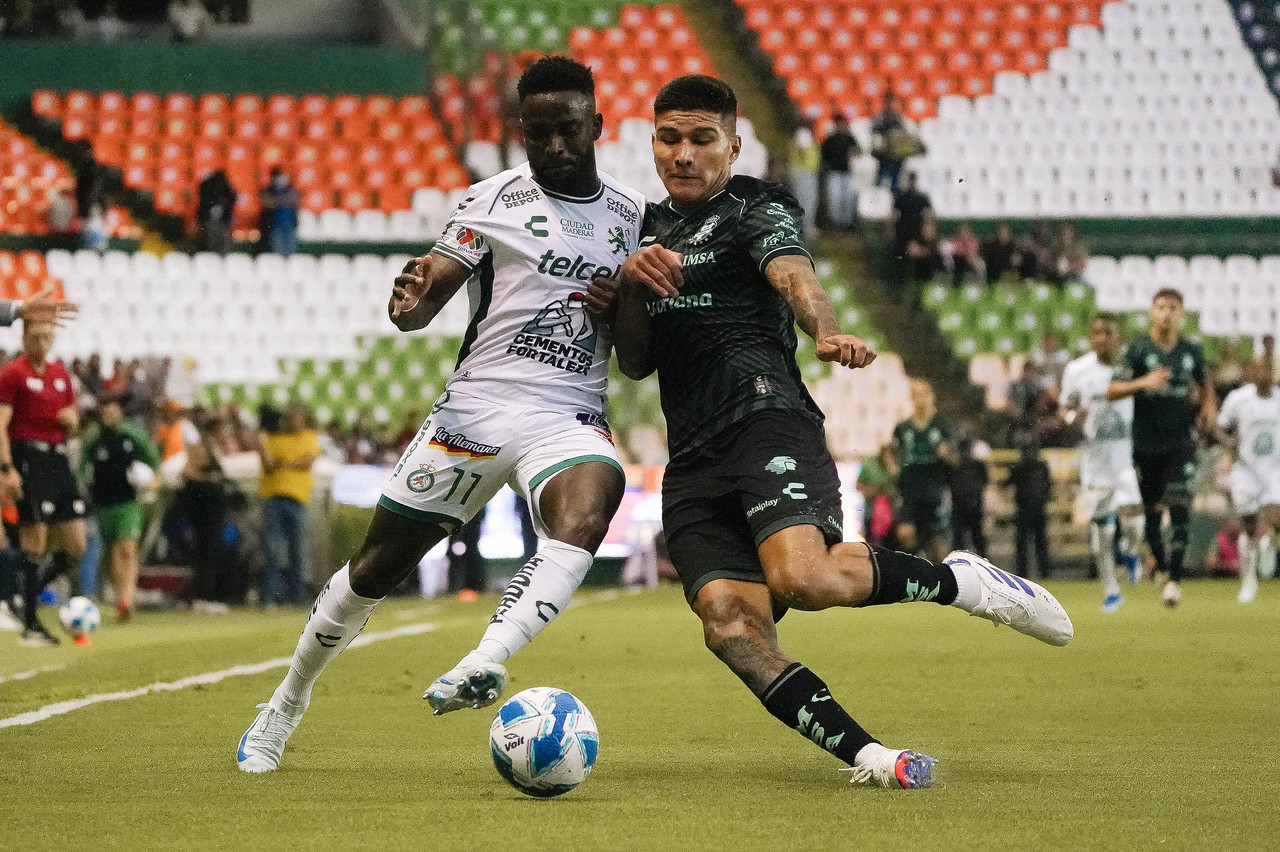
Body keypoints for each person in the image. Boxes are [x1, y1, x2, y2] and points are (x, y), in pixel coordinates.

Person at [604, 75, 1071, 790]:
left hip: (766, 421)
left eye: (702, 138)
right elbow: (635, 362)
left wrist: (823, 329)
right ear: (653, 143)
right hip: (693, 461)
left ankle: (961, 582)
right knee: (731, 628)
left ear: (733, 146)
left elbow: (795, 277)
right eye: (670, 139)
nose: (684, 153)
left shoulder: (755, 205)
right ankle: (872, 757)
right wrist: (632, 289)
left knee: (803, 577)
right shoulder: (640, 233)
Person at [236, 56, 646, 773]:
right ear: (520, 131)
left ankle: (485, 659)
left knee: (590, 506)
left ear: (598, 127)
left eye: (569, 130)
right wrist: (410, 301)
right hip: (477, 411)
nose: (554, 145)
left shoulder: (636, 215)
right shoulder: (491, 200)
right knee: (376, 568)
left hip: (569, 412)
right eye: (539, 133)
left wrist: (629, 308)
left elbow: (640, 353)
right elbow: (426, 298)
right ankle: (286, 702)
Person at [1108, 288, 1216, 607]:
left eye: (1172, 308)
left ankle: (1175, 580)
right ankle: (1162, 568)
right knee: (1152, 514)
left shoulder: (1191, 350)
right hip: (1146, 444)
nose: (1166, 313)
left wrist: (1209, 405)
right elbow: (1112, 389)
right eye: (1161, 307)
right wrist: (1143, 382)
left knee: (1180, 503)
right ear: (1152, 313)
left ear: (1180, 314)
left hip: (1180, 441)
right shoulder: (1137, 350)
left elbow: (1206, 383)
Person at [0, 320, 90, 646]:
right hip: (28, 456)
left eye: (47, 337)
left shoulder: (59, 374)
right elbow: (1, 423)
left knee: (77, 544)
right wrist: (7, 468)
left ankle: (24, 596)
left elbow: (72, 418)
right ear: (24, 337)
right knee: (34, 540)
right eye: (35, 337)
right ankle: (31, 625)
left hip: (58, 458)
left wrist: (73, 422)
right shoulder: (13, 373)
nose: (41, 343)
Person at [1059, 313, 1145, 611]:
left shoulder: (1131, 368)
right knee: (1103, 530)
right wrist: (1073, 417)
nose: (1102, 339)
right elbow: (1065, 410)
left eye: (1108, 333)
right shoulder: (1077, 370)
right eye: (1097, 333)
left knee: (1134, 519)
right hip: (1094, 459)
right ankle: (1111, 590)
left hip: (1125, 455)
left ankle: (1131, 550)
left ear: (1118, 337)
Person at [79, 391, 161, 621]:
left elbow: (153, 461)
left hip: (129, 503)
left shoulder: (132, 435)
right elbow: (81, 468)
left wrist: (151, 481)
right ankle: (119, 595)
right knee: (110, 554)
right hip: (103, 505)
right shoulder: (94, 439)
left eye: (113, 409)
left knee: (126, 548)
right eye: (105, 410)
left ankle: (127, 599)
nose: (108, 414)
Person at [1214, 358, 1278, 603]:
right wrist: (1229, 442)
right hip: (1247, 469)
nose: (1265, 375)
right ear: (1253, 372)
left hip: (1275, 469)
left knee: (1276, 517)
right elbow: (1219, 427)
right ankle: (1249, 581)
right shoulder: (1238, 399)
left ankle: (1268, 544)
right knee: (1248, 526)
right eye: (1260, 370)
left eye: (1269, 371)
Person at [258, 402, 321, 607]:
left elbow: (307, 462)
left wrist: (282, 462)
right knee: (272, 549)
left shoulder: (309, 437)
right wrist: (291, 462)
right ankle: (269, 596)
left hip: (297, 498)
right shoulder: (272, 439)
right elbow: (268, 463)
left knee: (297, 550)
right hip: (274, 497)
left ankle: (297, 596)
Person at [1006, 434, 1054, 580]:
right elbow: (1048, 485)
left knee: (1024, 543)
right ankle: (1044, 572)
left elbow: (1008, 482)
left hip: (1025, 508)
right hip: (1037, 507)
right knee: (1040, 542)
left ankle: (1024, 573)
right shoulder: (1041, 466)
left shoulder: (1020, 467)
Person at [818, 114, 860, 231]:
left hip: (847, 172)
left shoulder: (849, 138)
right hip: (834, 172)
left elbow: (858, 151)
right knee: (835, 199)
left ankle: (847, 223)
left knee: (847, 198)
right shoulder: (830, 139)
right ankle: (836, 222)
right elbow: (824, 154)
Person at [950, 436, 989, 558]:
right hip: (966, 503)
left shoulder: (973, 465)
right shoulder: (957, 465)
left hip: (968, 503)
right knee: (968, 537)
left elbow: (984, 480)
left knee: (971, 537)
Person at [870, 93, 914, 195]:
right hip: (884, 155)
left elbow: (904, 134)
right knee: (880, 180)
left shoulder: (898, 118)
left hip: (896, 156)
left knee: (895, 182)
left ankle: (894, 200)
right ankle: (877, 199)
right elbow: (874, 131)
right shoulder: (880, 117)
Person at [785, 122, 820, 239]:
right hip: (804, 172)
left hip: (803, 171)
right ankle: (805, 227)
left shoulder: (802, 135)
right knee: (806, 201)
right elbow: (804, 149)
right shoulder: (804, 134)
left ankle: (800, 227)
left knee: (803, 200)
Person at [257, 168, 301, 257]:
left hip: (290, 224)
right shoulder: (268, 190)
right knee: (277, 252)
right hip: (275, 225)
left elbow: (296, 199)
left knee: (291, 251)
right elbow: (266, 201)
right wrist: (283, 201)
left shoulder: (290, 189)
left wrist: (278, 201)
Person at [196, 168, 236, 254]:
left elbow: (233, 198)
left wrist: (225, 204)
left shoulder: (226, 186)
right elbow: (204, 202)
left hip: (224, 219)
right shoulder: (207, 186)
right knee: (212, 238)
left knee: (222, 238)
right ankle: (212, 255)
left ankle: (223, 255)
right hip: (210, 218)